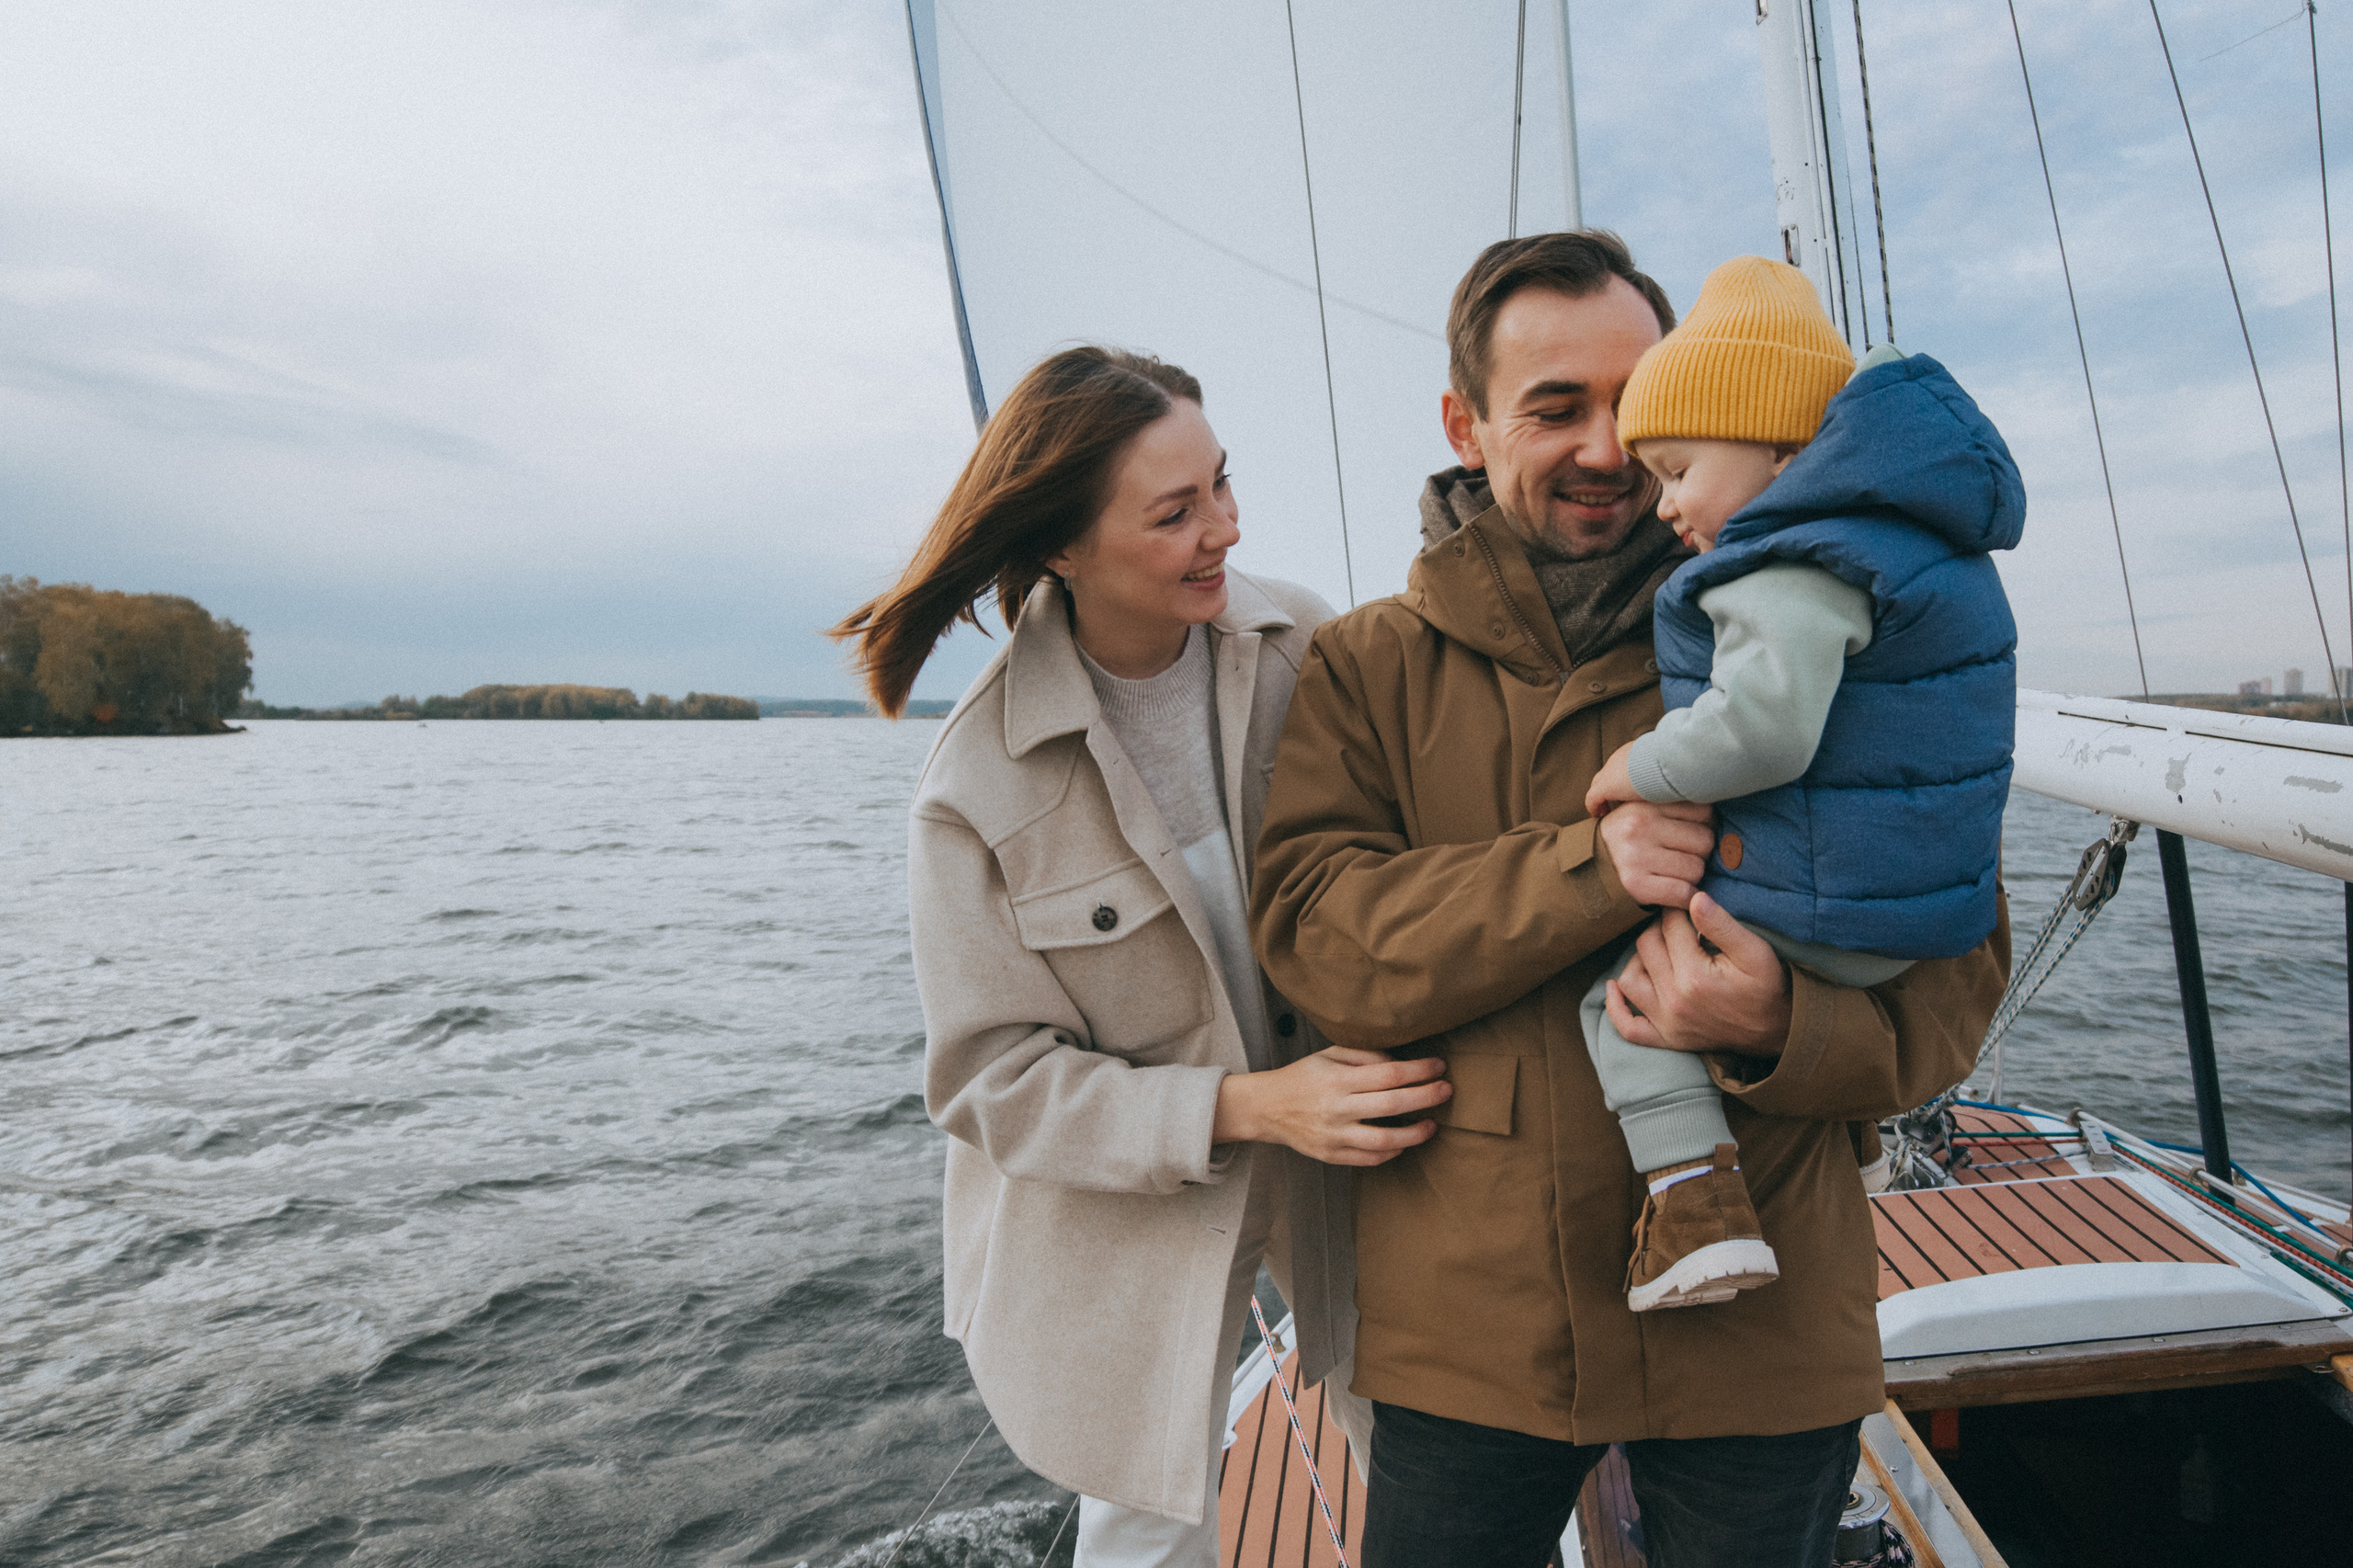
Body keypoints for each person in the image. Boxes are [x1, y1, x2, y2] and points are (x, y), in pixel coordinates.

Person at [1249, 233, 2009, 1568]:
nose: (1609, 444)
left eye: (1638, 399)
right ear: (1464, 425)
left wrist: (1782, 1018)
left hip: (1761, 1330)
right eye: (1555, 407)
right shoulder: (1365, 664)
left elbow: (1958, 970)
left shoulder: (1833, 619)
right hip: (1467, 1332)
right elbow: (1318, 939)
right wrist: (1586, 868)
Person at [835, 346, 1450, 1568]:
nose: (1224, 527)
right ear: (1062, 544)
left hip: (1353, 1154)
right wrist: (1252, 1103)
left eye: (1221, 485)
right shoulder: (975, 783)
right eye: (1176, 512)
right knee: (1149, 1519)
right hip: (1136, 1201)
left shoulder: (1304, 644)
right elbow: (991, 1083)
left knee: (1434, 1451)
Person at [1576, 256, 2023, 1313]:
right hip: (1914, 914)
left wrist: (1635, 766)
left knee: (1620, 994)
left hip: (1828, 915)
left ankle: (1693, 1204)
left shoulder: (1789, 561)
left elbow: (1763, 730)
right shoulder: (1912, 540)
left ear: (1777, 444)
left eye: (1678, 468)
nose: (1665, 504)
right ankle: (1858, 1147)